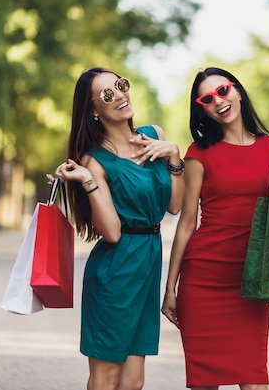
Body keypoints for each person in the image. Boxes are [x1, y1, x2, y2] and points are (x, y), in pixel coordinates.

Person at [161, 67, 269, 389]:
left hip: (251, 281)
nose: (219, 101)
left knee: (255, 380)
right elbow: (187, 223)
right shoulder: (198, 154)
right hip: (203, 280)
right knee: (204, 383)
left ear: (238, 91)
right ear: (202, 108)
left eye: (223, 91)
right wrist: (170, 287)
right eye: (208, 98)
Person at [52, 67, 184, 390]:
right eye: (108, 94)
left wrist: (174, 156)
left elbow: (175, 206)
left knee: (134, 382)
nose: (122, 95)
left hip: (147, 266)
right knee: (106, 377)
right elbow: (110, 232)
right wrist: (86, 181)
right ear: (94, 110)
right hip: (115, 271)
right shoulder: (95, 162)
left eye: (121, 85)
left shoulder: (155, 135)